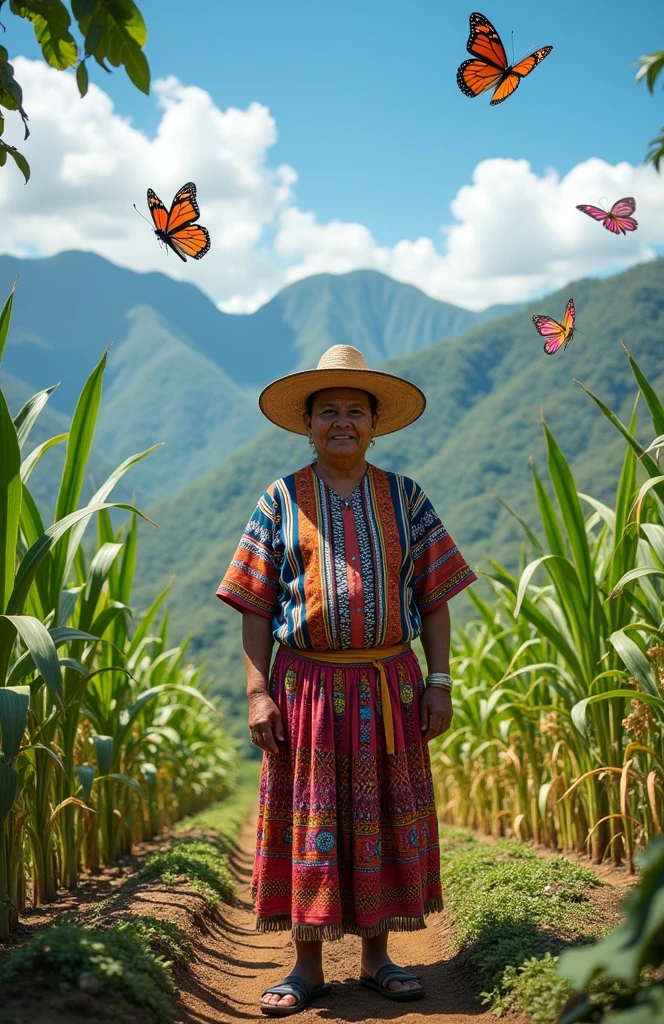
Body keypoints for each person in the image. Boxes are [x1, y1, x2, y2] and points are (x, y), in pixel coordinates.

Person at [216, 344, 476, 1016]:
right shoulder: (280, 499)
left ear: (372, 424)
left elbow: (436, 595)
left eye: (354, 411)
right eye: (327, 410)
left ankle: (378, 959)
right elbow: (253, 603)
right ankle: (304, 968)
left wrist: (439, 681)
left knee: (383, 816)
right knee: (310, 820)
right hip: (304, 691)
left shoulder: (406, 498)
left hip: (391, 685)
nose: (342, 422)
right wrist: (257, 690)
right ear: (307, 426)